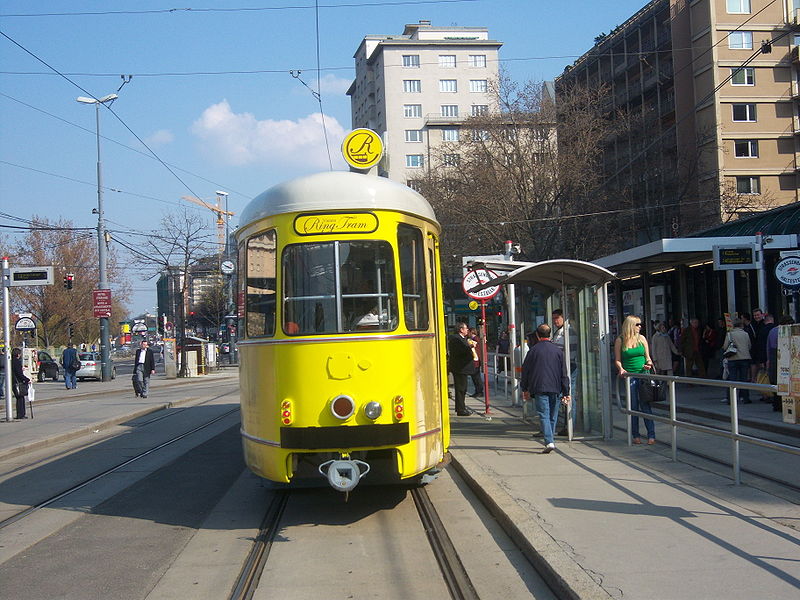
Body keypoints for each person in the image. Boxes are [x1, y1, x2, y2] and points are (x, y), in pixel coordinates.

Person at [521, 324, 570, 453]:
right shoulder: (558, 351)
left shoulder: (533, 351)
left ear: (537, 335)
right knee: (552, 415)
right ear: (549, 334)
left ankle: (549, 441)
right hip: (555, 387)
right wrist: (566, 391)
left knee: (544, 414)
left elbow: (525, 371)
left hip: (538, 387)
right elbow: (563, 372)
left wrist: (524, 388)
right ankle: (551, 439)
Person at [614, 315, 655, 444]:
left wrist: (648, 363)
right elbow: (618, 360)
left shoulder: (641, 339)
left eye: (640, 324)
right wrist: (621, 368)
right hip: (629, 376)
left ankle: (651, 435)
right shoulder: (620, 340)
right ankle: (635, 434)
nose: (640, 326)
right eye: (637, 324)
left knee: (646, 405)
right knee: (633, 406)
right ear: (630, 325)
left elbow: (648, 357)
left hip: (644, 375)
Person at [551, 308, 578, 435]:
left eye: (557, 318)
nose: (555, 321)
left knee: (568, 395)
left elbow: (561, 352)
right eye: (553, 318)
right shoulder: (560, 332)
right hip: (563, 368)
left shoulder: (567, 332)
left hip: (568, 368)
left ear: (563, 317)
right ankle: (567, 425)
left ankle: (569, 426)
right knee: (565, 396)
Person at [721, 318, 752, 405]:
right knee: (744, 379)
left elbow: (725, 346)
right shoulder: (746, 334)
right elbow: (749, 346)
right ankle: (745, 398)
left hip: (733, 359)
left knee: (732, 379)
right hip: (745, 358)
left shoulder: (730, 334)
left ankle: (731, 398)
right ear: (741, 325)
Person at [447, 322, 475, 416]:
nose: (467, 330)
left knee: (463, 389)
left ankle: (461, 407)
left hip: (462, 367)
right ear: (461, 329)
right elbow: (459, 351)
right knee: (460, 389)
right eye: (466, 328)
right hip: (460, 368)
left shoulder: (463, 339)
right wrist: (470, 347)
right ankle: (460, 409)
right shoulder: (456, 339)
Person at [767, 316, 793, 412]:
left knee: (775, 381)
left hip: (773, 357)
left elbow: (768, 347)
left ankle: (776, 404)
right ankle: (783, 405)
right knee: (785, 380)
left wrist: (768, 360)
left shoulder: (772, 331)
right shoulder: (786, 330)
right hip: (784, 356)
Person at [11, 348, 30, 419]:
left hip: (13, 381)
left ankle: (20, 414)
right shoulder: (17, 362)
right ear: (18, 354)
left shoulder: (10, 361)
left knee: (19, 398)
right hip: (18, 382)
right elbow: (19, 373)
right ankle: (21, 414)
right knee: (20, 398)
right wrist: (27, 379)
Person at [468, 328, 483, 398]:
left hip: (476, 360)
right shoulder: (476, 339)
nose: (468, 333)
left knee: (476, 377)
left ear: (471, 332)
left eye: (469, 332)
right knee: (475, 377)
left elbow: (474, 350)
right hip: (476, 360)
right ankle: (478, 391)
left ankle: (479, 391)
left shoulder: (475, 340)